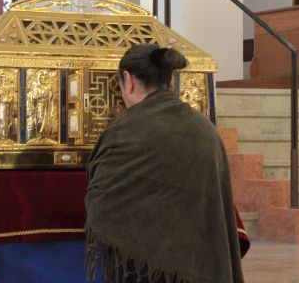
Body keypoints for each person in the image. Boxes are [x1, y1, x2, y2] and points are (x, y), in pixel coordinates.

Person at [85, 44, 244, 283]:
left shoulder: (125, 130)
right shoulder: (205, 129)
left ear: (127, 80)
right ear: (169, 80)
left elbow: (101, 204)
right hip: (198, 265)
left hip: (141, 272)